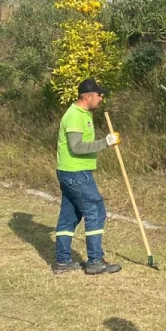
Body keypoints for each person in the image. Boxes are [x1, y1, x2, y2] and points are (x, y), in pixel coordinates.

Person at [53, 78, 122, 275]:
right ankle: (95, 262)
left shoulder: (84, 113)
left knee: (69, 216)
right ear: (88, 96)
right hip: (76, 172)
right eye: (99, 95)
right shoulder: (75, 116)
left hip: (70, 171)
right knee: (95, 211)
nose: (101, 99)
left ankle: (62, 262)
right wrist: (105, 142)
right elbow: (76, 146)